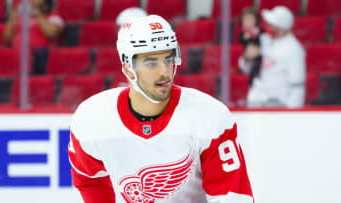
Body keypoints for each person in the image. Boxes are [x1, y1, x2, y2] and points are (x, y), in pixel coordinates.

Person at [68, 15, 253, 203]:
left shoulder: (209, 117)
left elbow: (233, 197)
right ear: (128, 67)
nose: (164, 71)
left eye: (168, 58)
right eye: (151, 63)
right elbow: (88, 180)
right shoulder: (92, 120)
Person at [239, 6, 306, 108]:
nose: (267, 26)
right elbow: (246, 68)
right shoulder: (263, 39)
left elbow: (297, 86)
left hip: (278, 106)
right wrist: (247, 58)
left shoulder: (294, 49)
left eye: (271, 24)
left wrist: (292, 115)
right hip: (255, 102)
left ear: (280, 27)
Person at [238, 7, 263, 86]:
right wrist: (245, 38)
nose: (248, 22)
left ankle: (254, 77)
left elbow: (263, 42)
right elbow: (241, 41)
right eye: (246, 20)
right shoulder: (243, 32)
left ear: (256, 20)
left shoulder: (259, 30)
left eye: (251, 19)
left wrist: (254, 37)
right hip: (247, 56)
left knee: (258, 63)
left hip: (259, 55)